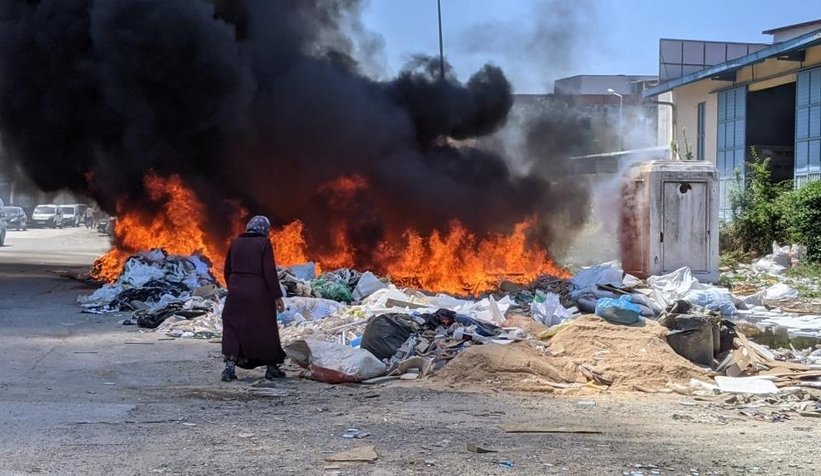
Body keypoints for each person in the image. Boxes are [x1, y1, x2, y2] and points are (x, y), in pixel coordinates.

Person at [220, 215, 287, 381]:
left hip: (236, 291)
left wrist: (234, 287)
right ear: (265, 229)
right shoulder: (263, 243)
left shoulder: (235, 242)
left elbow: (227, 269)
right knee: (265, 329)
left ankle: (229, 368)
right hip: (258, 292)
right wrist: (277, 296)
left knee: (232, 328)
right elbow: (269, 272)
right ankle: (271, 367)